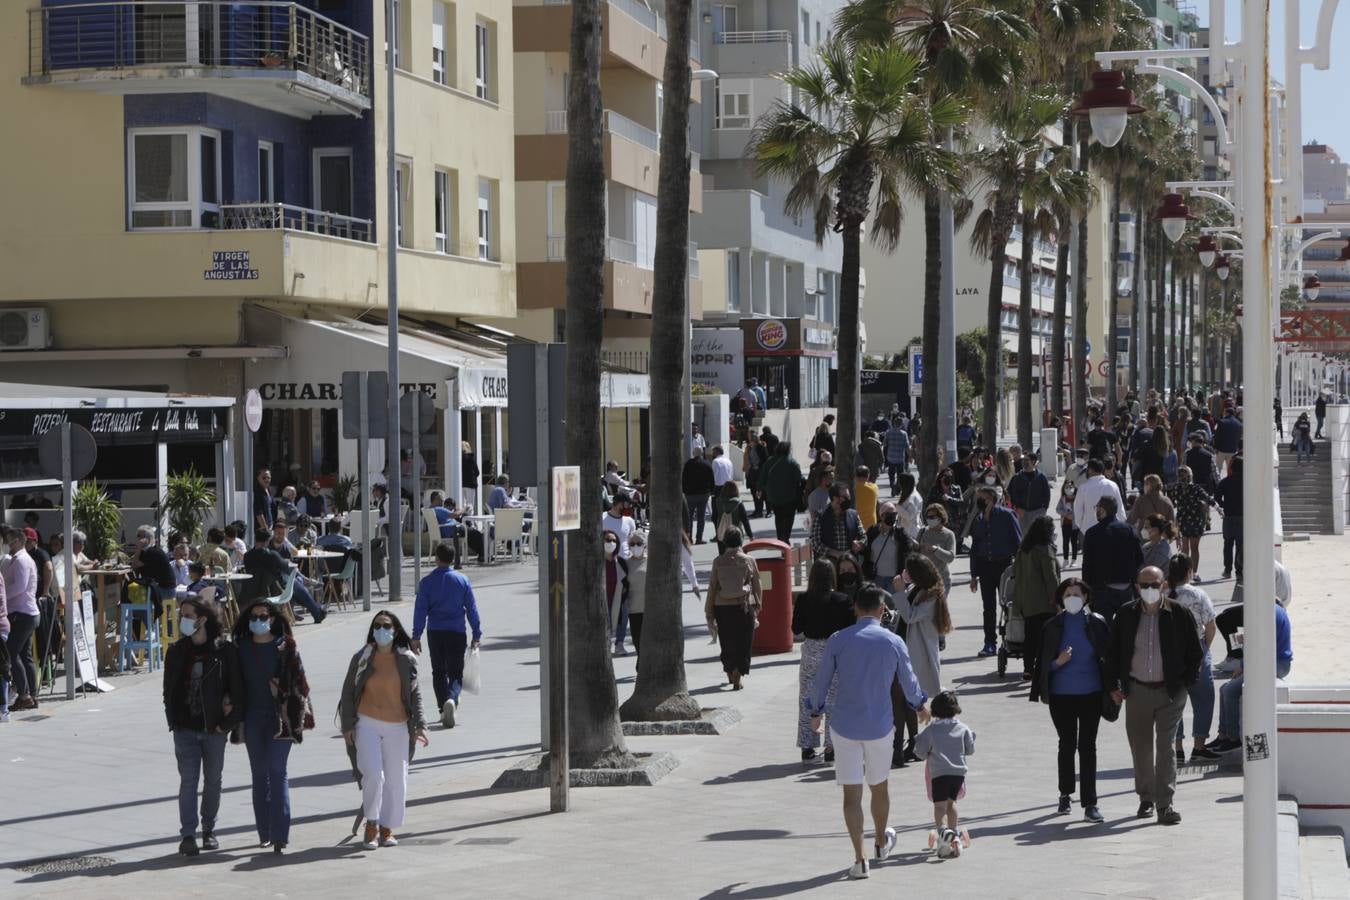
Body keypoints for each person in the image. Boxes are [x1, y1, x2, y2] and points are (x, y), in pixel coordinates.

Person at [807, 585, 929, 879]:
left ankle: (860, 859)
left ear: (856, 608)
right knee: (879, 788)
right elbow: (909, 681)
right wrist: (920, 705)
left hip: (845, 726)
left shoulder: (839, 640)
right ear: (881, 609)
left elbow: (821, 679)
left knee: (851, 796)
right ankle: (879, 842)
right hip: (880, 725)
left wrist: (815, 711)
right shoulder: (893, 641)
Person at [1104, 565, 1203, 826]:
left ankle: (1165, 803)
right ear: (1136, 586)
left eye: (1154, 584)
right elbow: (1113, 653)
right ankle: (1146, 797)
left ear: (1165, 585)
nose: (1149, 589)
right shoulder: (1125, 614)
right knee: (1141, 747)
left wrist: (1185, 684)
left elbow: (1195, 652)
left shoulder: (1179, 613)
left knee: (1166, 747)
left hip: (1170, 691)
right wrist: (1113, 685)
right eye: (1144, 584)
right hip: (1136, 690)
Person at [340, 611, 429, 851]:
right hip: (366, 722)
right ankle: (372, 823)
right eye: (377, 626)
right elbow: (348, 691)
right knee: (373, 775)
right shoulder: (362, 657)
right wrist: (348, 724)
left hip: (398, 726)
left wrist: (420, 724)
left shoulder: (406, 659)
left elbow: (415, 694)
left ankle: (387, 826)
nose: (382, 630)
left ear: (396, 630)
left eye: (386, 625)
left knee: (396, 780)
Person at [233, 600, 314, 853]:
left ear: (273, 618)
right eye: (254, 616)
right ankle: (265, 832)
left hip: (282, 717)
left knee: (278, 772)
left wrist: (282, 689)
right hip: (253, 717)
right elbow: (232, 682)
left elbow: (301, 683)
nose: (259, 620)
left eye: (263, 616)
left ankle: (281, 835)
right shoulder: (241, 648)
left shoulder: (285, 646)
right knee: (259, 775)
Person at [163, 596, 241, 856]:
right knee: (188, 781)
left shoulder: (224, 651)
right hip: (184, 728)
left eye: (186, 615)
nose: (181, 619)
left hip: (213, 729)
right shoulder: (176, 652)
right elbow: (168, 690)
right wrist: (173, 720)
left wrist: (226, 725)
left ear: (202, 618)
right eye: (181, 614)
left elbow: (237, 691)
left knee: (213, 781)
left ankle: (209, 830)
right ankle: (188, 835)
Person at [1029, 578, 1110, 823]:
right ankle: (1065, 793)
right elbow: (1041, 665)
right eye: (1067, 594)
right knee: (1067, 744)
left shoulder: (1097, 623)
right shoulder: (1052, 626)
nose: (1072, 598)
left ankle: (1090, 803)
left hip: (1091, 694)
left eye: (1077, 594)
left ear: (1086, 597)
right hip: (1061, 695)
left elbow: (1108, 657)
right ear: (1061, 598)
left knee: (1088, 746)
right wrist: (1058, 663)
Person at [410, 543, 482, 727]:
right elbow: (471, 608)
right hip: (456, 631)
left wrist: (416, 636)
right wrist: (476, 632)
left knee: (438, 671)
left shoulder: (426, 583)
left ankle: (443, 709)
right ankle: (452, 698)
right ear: (452, 558)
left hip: (435, 632)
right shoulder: (462, 580)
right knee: (456, 673)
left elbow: (420, 611)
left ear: (436, 558)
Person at [1207, 600, 1293, 754]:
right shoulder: (1272, 610)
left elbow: (1262, 647)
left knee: (1229, 691)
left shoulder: (1267, 615)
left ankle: (1234, 739)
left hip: (1274, 664)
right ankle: (1223, 735)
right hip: (1269, 662)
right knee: (1224, 689)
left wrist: (1243, 666)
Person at [793, 559, 855, 763]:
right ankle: (831, 748)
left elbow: (796, 628)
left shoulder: (803, 599)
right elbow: (850, 627)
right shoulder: (843, 599)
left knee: (808, 699)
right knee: (834, 700)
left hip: (811, 650)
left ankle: (808, 746)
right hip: (836, 650)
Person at [891, 554, 951, 767]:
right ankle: (910, 745)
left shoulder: (932, 596)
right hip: (903, 652)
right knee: (904, 701)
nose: (905, 574)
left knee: (907, 700)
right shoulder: (917, 589)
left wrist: (898, 592)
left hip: (916, 655)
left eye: (909, 571)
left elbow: (910, 615)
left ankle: (908, 746)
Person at [1165, 554, 1220, 764]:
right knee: (1204, 698)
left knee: (1174, 701)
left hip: (1171, 654)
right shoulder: (1198, 594)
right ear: (1189, 572)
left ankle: (1177, 749)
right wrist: (1204, 647)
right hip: (1196, 650)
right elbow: (1211, 625)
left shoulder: (1164, 594)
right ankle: (1199, 747)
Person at [913, 690, 975, 852]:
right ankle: (954, 832)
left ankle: (943, 832)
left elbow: (920, 753)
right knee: (951, 803)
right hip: (958, 774)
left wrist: (918, 743)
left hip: (939, 774)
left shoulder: (931, 731)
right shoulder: (963, 728)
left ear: (934, 711)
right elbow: (970, 750)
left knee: (939, 806)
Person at [967, 486, 1021, 657]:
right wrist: (973, 575)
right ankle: (989, 642)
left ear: (990, 498)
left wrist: (1020, 569)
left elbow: (1018, 543)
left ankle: (1010, 638)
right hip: (985, 567)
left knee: (1007, 605)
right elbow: (975, 547)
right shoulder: (979, 518)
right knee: (988, 607)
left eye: (982, 498)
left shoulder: (1007, 515)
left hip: (1004, 566)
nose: (979, 501)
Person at [705, 527, 762, 690]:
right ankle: (739, 673)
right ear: (740, 540)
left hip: (722, 607)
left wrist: (709, 610)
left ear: (725, 542)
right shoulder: (749, 560)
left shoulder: (718, 561)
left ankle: (730, 671)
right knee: (744, 641)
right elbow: (757, 585)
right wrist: (758, 606)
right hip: (744, 605)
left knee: (727, 640)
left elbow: (712, 586)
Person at [1010, 516, 1062, 681]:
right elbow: (1051, 578)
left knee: (1030, 636)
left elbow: (1015, 574)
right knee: (1048, 637)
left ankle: (1027, 669)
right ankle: (1045, 667)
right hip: (1045, 602)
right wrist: (1057, 600)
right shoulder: (1045, 550)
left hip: (1027, 602)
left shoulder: (1023, 550)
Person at [241, 528, 327, 623]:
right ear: (267, 541)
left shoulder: (247, 556)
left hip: (252, 590)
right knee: (295, 582)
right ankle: (317, 611)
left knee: (296, 584)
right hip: (273, 590)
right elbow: (287, 568)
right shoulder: (272, 555)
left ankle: (315, 610)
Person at [1081, 496, 1142, 622]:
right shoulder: (1130, 530)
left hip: (1101, 591)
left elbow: (1087, 565)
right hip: (1126, 589)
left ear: (1102, 510)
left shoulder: (1092, 533)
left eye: (1097, 508)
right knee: (1127, 628)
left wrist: (1086, 592)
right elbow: (1139, 559)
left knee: (1104, 630)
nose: (1096, 511)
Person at [3, 528, 40, 711]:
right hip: (27, 612)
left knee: (12, 653)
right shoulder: (22, 559)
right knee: (24, 655)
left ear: (19, 541)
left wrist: (3, 595)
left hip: (23, 613)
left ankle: (25, 695)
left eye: (11, 541)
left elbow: (19, 587)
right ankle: (31, 695)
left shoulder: (21, 560)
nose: (8, 545)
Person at [1166, 467, 1213, 581]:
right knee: (1194, 548)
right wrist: (1220, 510)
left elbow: (1171, 503)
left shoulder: (1175, 488)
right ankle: (1194, 573)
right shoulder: (1196, 488)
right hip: (1196, 520)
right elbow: (1208, 499)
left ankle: (1184, 573)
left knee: (1185, 548)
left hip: (1183, 520)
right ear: (1190, 475)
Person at [759, 442, 804, 543]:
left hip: (773, 496)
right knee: (789, 518)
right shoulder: (792, 462)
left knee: (778, 518)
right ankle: (785, 537)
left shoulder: (769, 462)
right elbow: (798, 479)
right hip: (790, 496)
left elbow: (762, 478)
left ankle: (780, 538)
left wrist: (760, 489)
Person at [811, 483, 866, 562]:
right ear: (835, 498)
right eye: (845, 497)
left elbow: (863, 536)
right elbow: (815, 542)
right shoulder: (820, 516)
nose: (849, 499)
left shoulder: (853, 514)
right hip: (828, 564)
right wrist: (835, 553)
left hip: (850, 563)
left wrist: (860, 544)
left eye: (849, 496)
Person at [864, 502, 909, 592]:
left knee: (893, 605)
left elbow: (907, 551)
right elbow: (865, 550)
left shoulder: (899, 532)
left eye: (894, 514)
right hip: (876, 578)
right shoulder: (873, 531)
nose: (892, 517)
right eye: (889, 514)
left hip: (894, 580)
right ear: (881, 516)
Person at [916, 504, 956, 599]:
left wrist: (935, 549)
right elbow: (915, 552)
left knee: (937, 612)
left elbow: (950, 557)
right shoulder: (922, 531)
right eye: (928, 517)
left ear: (940, 517)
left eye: (932, 517)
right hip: (923, 580)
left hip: (941, 580)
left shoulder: (948, 534)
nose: (929, 519)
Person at [1071, 459, 1125, 530]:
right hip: (1112, 529)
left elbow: (1077, 509)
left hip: (1089, 529)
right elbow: (1120, 508)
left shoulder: (1083, 488)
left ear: (1090, 470)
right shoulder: (1113, 485)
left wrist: (1082, 526)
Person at [1007, 453, 1051, 534]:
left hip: (1037, 512)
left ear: (1033, 461)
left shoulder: (1041, 477)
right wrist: (1016, 507)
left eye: (1026, 460)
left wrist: (1043, 509)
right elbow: (1010, 494)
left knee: (1035, 537)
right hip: (1021, 512)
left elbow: (1046, 495)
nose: (1024, 462)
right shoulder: (1017, 477)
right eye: (1023, 460)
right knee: (1022, 536)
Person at [1215, 457, 1244, 581]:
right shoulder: (1247, 481)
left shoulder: (1225, 482)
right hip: (1242, 517)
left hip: (1228, 517)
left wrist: (1224, 505)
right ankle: (1239, 570)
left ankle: (1227, 570)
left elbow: (1217, 497)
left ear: (1231, 468)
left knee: (1227, 544)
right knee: (1240, 545)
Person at [603, 530, 631, 656]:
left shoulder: (620, 562)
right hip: (603, 600)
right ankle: (605, 646)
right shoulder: (596, 562)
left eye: (614, 541)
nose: (611, 543)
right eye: (608, 540)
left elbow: (626, 582)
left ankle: (619, 644)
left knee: (623, 614)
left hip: (618, 598)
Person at [682, 448, 716, 544]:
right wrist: (711, 491)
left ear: (693, 453)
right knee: (701, 517)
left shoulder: (688, 464)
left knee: (689, 517)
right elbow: (712, 479)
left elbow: (683, 478)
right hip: (703, 494)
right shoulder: (707, 464)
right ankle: (699, 538)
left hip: (690, 495)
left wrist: (684, 491)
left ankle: (689, 538)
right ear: (702, 454)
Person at [712, 481, 753, 555]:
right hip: (736, 533)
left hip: (722, 533)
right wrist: (750, 535)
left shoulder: (717, 502)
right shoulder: (738, 503)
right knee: (736, 555)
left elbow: (714, 518)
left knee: (723, 556)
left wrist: (718, 528)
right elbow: (745, 520)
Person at [625, 532, 648, 655]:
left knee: (648, 643)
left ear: (645, 545)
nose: (635, 546)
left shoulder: (652, 562)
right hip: (634, 610)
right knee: (638, 642)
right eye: (632, 544)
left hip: (650, 610)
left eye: (638, 543)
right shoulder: (626, 564)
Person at [742, 432, 769, 518]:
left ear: (756, 440)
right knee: (754, 493)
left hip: (759, 473)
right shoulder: (749, 448)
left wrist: (758, 465)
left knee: (760, 493)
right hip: (751, 473)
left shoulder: (761, 447)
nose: (750, 442)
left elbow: (765, 459)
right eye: (750, 440)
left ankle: (762, 511)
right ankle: (757, 510)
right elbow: (747, 459)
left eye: (752, 440)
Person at [1056, 481, 1080, 566]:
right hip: (1065, 524)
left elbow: (1080, 509)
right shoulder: (1063, 499)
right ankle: (1065, 560)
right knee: (1065, 542)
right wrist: (1066, 514)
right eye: (1066, 487)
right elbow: (1058, 509)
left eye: (1070, 487)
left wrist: (1074, 515)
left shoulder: (1077, 498)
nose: (1069, 489)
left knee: (1074, 542)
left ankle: (1074, 560)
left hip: (1075, 524)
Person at [884, 417, 910, 492]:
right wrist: (910, 456)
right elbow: (907, 446)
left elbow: (885, 444)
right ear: (901, 424)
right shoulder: (904, 434)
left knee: (891, 474)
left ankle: (892, 486)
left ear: (894, 423)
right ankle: (898, 487)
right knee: (900, 474)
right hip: (900, 457)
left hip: (891, 457)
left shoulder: (888, 432)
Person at [1213, 406, 1242, 472]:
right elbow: (1239, 437)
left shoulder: (1221, 422)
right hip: (1233, 450)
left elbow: (1217, 436)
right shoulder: (1239, 424)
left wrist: (1215, 447)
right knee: (1230, 469)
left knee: (1218, 469)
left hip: (1221, 449)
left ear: (1226, 413)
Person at [853, 465, 880, 531]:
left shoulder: (854, 488)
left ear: (856, 476)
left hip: (857, 525)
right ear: (868, 476)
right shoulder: (874, 488)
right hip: (872, 524)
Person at [461, 441, 481, 511]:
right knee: (470, 504)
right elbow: (477, 472)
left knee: (461, 504)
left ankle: (462, 519)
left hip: (461, 484)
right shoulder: (470, 458)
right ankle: (469, 520)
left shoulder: (458, 458)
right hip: (470, 484)